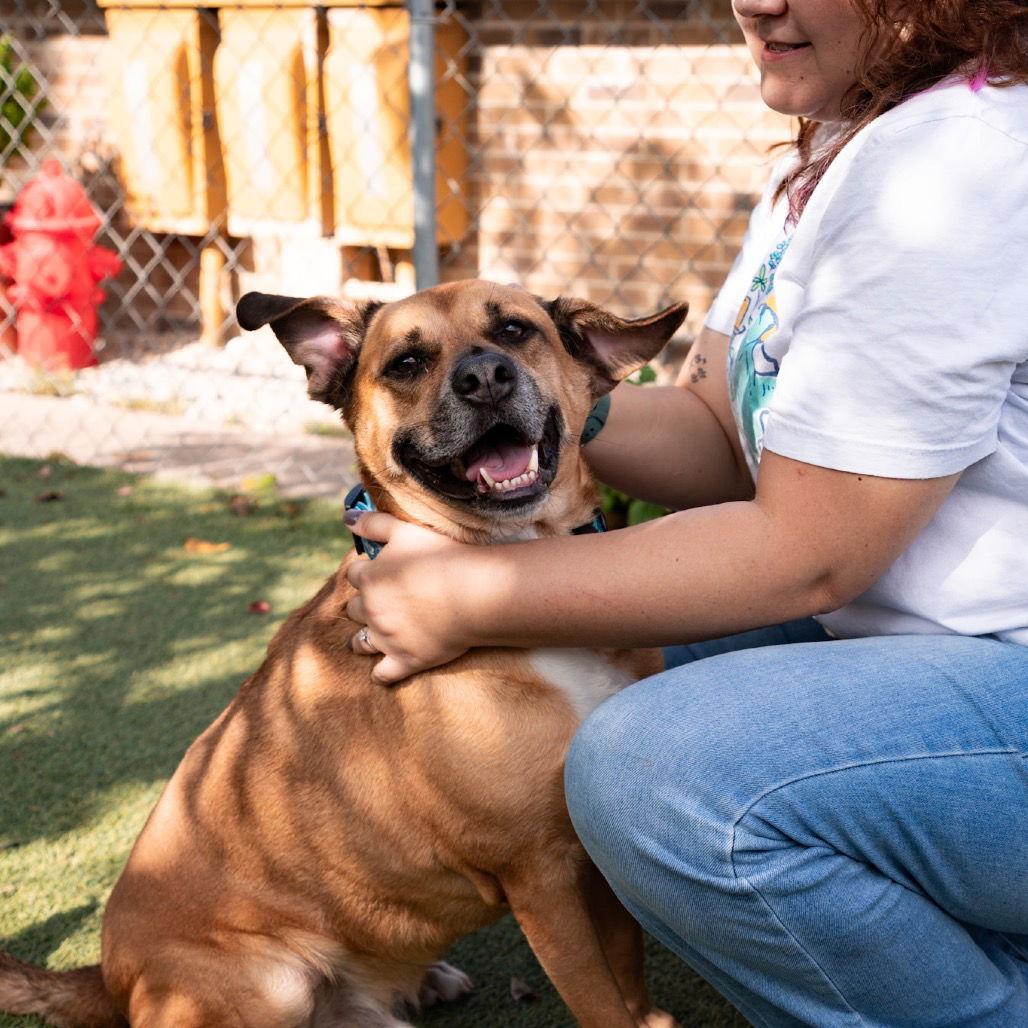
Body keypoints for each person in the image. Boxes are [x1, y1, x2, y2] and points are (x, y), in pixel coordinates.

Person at [344, 0, 1028, 1022]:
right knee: (603, 674)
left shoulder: (950, 162)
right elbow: (717, 423)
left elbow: (806, 553)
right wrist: (527, 398)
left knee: (651, 767)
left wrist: (469, 593)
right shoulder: (835, 145)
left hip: (997, 658)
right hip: (932, 638)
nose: (754, 1)